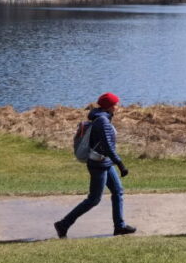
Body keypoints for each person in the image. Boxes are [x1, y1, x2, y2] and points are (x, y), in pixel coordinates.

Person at [54, 92, 137, 238]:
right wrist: (121, 164)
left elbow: (107, 147)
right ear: (110, 106)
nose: (118, 106)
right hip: (98, 164)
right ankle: (63, 224)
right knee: (94, 199)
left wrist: (114, 162)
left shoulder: (103, 118)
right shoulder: (102, 121)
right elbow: (108, 147)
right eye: (116, 104)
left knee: (118, 191)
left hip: (105, 162)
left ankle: (119, 226)